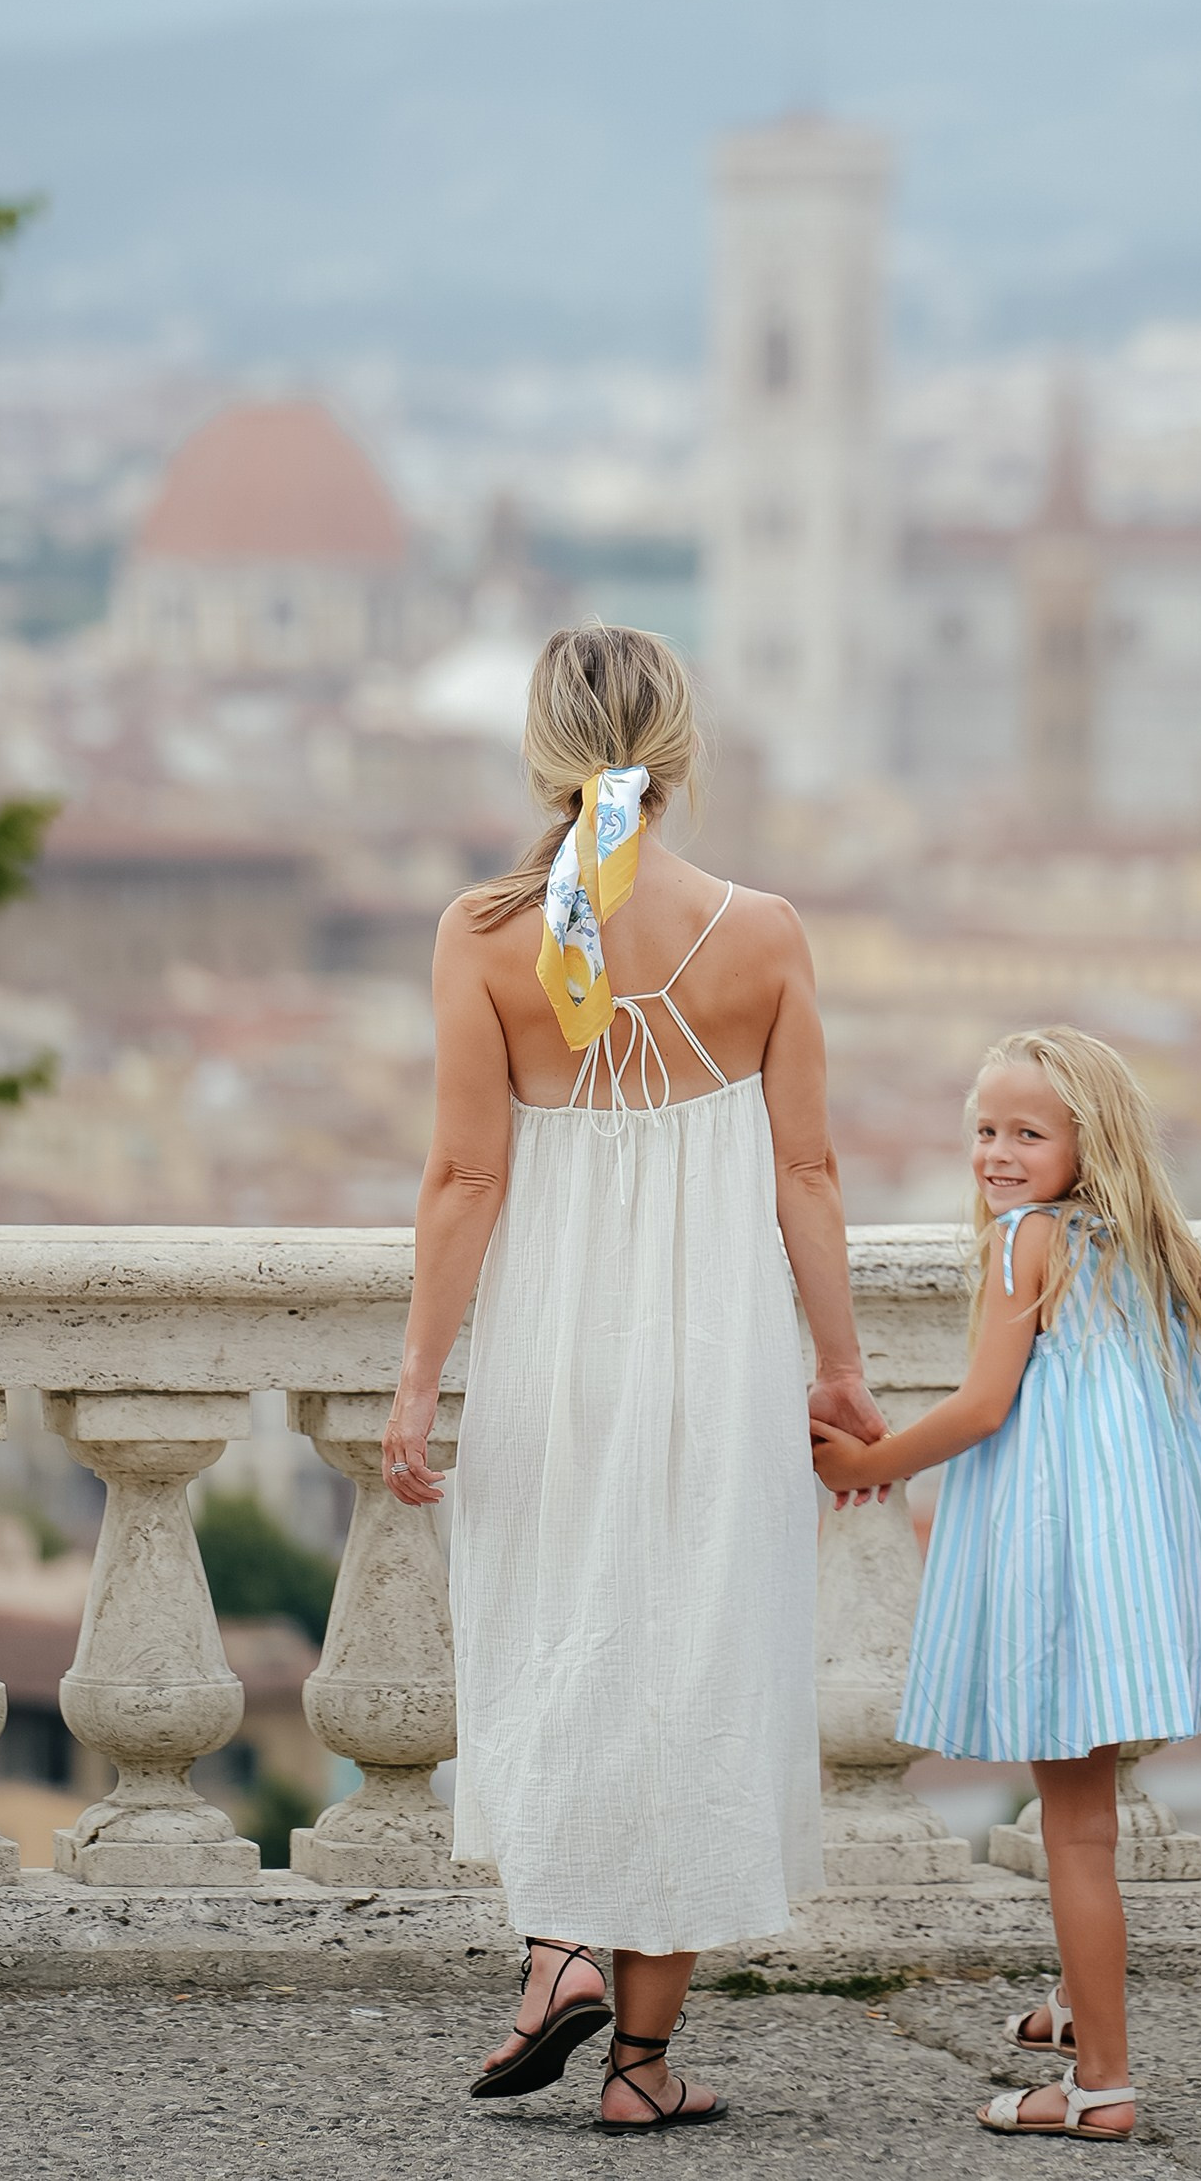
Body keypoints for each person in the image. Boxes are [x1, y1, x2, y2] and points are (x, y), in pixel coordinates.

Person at [380, 623, 887, 2130]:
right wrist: (840, 1366)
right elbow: (806, 1172)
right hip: (718, 1365)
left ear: (542, 754)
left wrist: (416, 1381)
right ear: (679, 752)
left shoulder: (482, 935)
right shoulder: (764, 933)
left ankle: (556, 1952)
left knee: (559, 1644)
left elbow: (467, 1176)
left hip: (553, 1358)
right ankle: (643, 2069)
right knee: (692, 1672)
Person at [812, 1026, 1201, 2146]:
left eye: (1026, 1133)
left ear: (1086, 1146)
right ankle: (1073, 2002)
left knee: (1077, 1831)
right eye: (985, 1130)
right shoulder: (1154, 1249)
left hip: (1060, 1573)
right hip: (1138, 1575)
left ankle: (1100, 2084)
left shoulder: (1027, 1242)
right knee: (1085, 1819)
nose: (996, 1154)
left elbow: (981, 1407)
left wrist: (867, 1464)